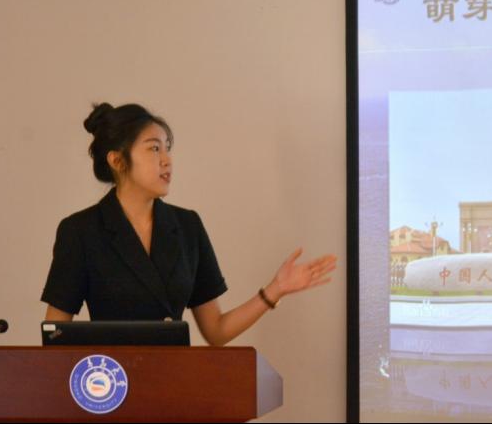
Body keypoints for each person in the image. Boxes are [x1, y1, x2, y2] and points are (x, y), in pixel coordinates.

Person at [41, 103, 337, 346]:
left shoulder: (187, 226)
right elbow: (55, 334)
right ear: (118, 161)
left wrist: (275, 290)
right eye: (154, 149)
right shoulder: (80, 231)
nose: (167, 160)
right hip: (111, 387)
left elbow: (216, 331)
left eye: (167, 148)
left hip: (177, 384)